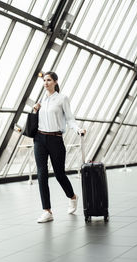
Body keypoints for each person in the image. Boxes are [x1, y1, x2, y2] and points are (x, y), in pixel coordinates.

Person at [33, 71, 86, 223]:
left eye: (48, 80)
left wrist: (78, 130)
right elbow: (36, 120)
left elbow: (70, 119)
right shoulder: (41, 100)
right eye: (44, 81)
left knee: (59, 174)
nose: (46, 83)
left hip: (55, 139)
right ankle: (47, 211)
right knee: (41, 174)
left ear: (55, 82)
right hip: (39, 139)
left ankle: (72, 196)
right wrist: (35, 109)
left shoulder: (62, 98)